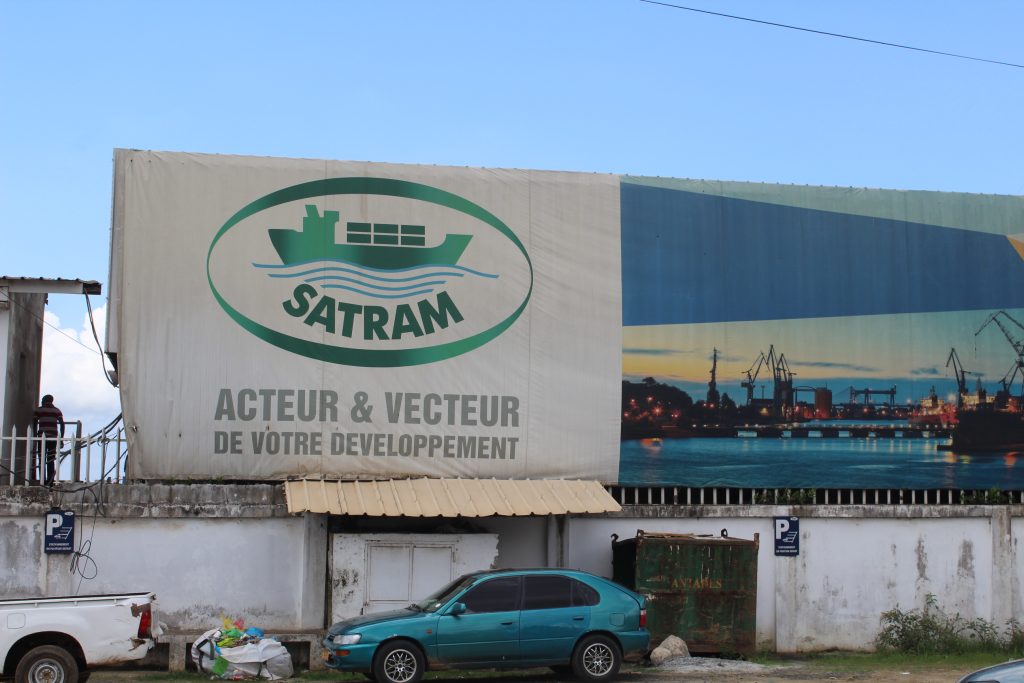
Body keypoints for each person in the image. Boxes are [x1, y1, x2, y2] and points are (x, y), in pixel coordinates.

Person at [32, 394, 64, 487]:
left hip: (42, 438)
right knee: (51, 460)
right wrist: (61, 438)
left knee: (41, 459)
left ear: (44, 400)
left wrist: (35, 435)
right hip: (53, 438)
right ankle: (50, 481)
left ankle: (42, 480)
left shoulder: (39, 410)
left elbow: (34, 423)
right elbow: (62, 424)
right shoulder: (57, 411)